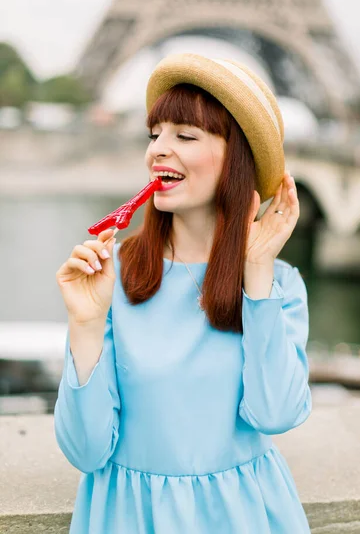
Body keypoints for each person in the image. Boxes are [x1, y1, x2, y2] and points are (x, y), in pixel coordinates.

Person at [54, 53, 312, 533]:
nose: (158, 150)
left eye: (185, 136)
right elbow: (86, 451)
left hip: (245, 517)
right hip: (128, 518)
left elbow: (276, 414)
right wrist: (85, 325)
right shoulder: (113, 276)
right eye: (155, 135)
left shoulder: (280, 287)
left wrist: (256, 274)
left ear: (237, 159)